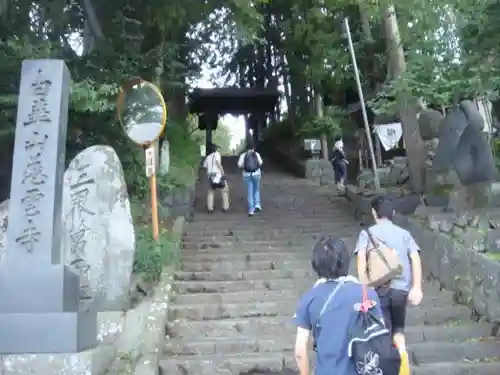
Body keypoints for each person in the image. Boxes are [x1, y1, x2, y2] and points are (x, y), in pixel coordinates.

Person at [294, 237, 385, 375]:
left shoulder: (310, 298)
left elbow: (300, 351)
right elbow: (381, 337)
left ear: (316, 264)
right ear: (346, 261)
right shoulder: (368, 294)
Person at [354, 196, 423, 357]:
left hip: (378, 291)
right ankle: (402, 359)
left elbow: (361, 261)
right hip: (401, 291)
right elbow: (415, 257)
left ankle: (386, 366)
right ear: (393, 212)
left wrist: (364, 289)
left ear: (373, 212)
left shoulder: (366, 234)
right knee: (398, 330)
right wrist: (417, 287)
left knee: (381, 331)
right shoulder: (404, 234)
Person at [237, 137, 263, 216]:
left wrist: (245, 166)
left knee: (250, 191)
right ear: (253, 147)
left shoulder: (243, 155)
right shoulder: (256, 154)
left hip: (247, 175)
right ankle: (257, 205)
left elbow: (239, 165)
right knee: (256, 189)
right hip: (256, 174)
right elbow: (261, 163)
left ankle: (251, 210)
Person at [202, 143, 229, 213]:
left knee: (211, 191)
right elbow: (218, 163)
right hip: (217, 175)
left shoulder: (208, 157)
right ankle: (225, 207)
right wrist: (223, 173)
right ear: (215, 149)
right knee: (224, 190)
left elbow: (205, 166)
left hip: (210, 175)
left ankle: (210, 208)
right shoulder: (217, 154)